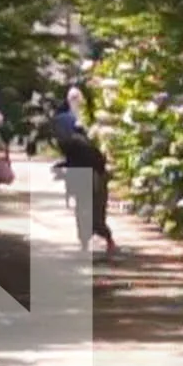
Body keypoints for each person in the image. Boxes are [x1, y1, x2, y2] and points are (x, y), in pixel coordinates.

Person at [48, 100, 116, 253]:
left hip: (90, 179)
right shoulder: (85, 144)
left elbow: (79, 162)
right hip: (92, 178)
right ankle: (101, 241)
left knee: (87, 213)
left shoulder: (73, 144)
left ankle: (96, 241)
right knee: (92, 213)